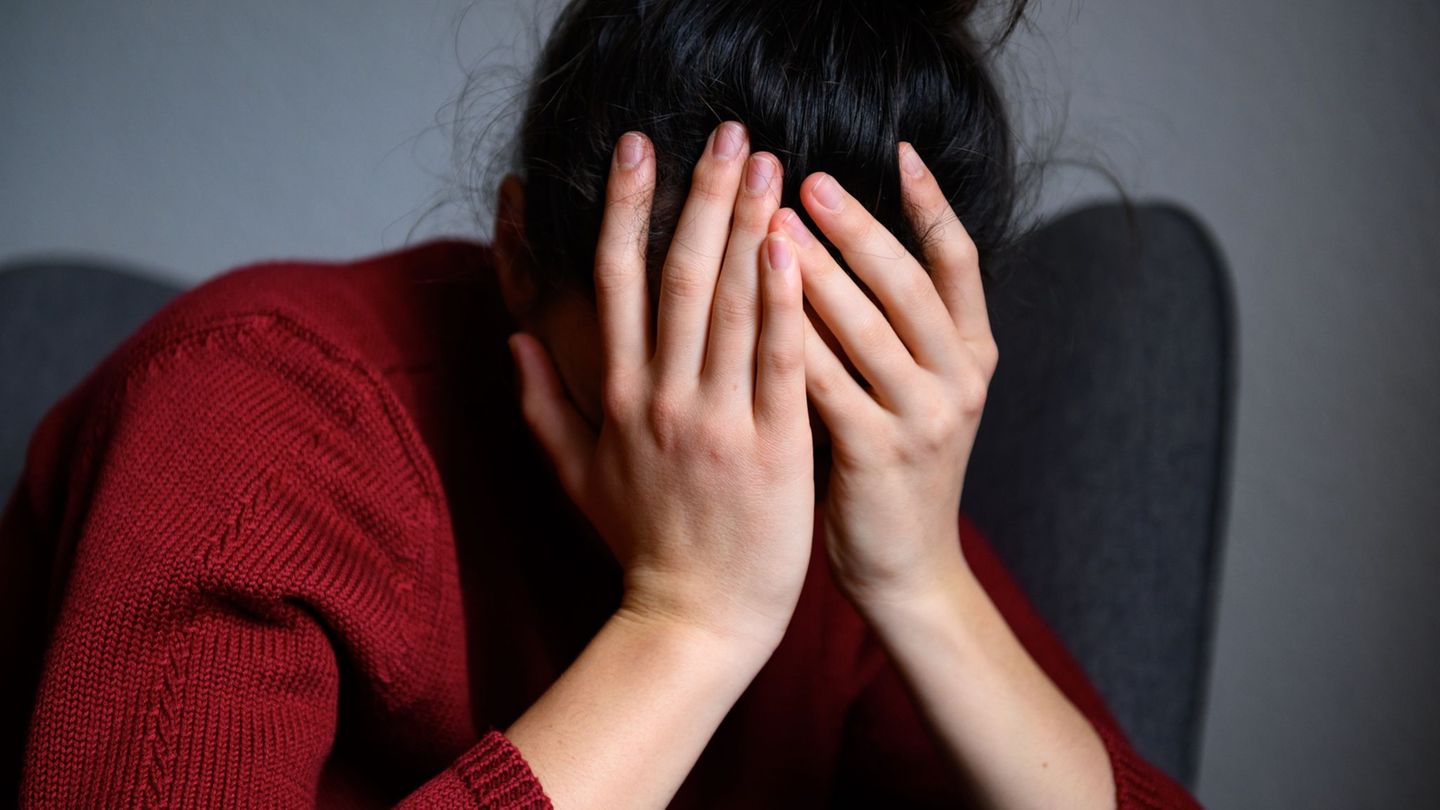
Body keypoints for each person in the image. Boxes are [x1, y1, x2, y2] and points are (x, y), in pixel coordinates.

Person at [0, 0, 1202, 807]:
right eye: (677, 388)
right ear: (520, 256)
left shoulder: (866, 494)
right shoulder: (248, 415)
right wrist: (690, 621)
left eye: (823, 414)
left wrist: (920, 580)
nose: (751, 462)